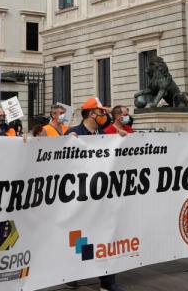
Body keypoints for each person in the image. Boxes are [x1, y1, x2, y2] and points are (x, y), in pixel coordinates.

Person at [66, 97, 124, 291]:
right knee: (79, 236)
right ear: (92, 114)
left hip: (101, 196)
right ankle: (74, 271)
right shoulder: (73, 133)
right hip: (80, 196)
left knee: (105, 235)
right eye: (101, 112)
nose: (105, 116)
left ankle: (107, 281)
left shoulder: (105, 134)